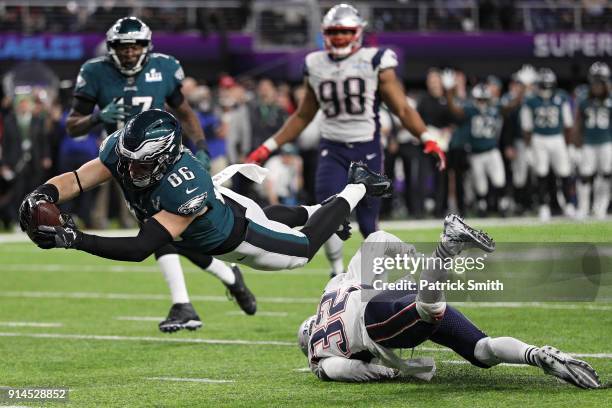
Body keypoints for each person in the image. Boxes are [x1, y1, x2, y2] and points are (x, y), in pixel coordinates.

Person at [18, 109, 392, 277]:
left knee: (302, 250)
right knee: (275, 216)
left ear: (164, 158)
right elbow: (79, 178)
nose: (130, 171)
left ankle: (356, 185)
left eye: (141, 165)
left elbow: (140, 248)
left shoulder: (184, 185)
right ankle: (324, 209)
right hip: (225, 206)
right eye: (127, 161)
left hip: (237, 237)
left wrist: (74, 239)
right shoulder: (127, 151)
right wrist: (42, 194)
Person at [64, 16, 248, 332]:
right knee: (169, 234)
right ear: (112, 48)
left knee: (164, 231)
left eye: (136, 45)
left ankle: (185, 304)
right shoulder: (95, 72)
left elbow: (185, 112)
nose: (130, 52)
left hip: (167, 161)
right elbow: (72, 125)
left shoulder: (163, 67)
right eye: (123, 46)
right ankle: (226, 278)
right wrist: (97, 117)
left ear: (147, 47)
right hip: (125, 165)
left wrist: (201, 146)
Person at [246, 4, 445, 277]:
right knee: (327, 212)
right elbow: (303, 115)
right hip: (332, 148)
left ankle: (379, 275)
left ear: (358, 32)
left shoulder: (376, 60)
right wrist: (268, 146)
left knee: (367, 221)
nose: (339, 37)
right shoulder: (315, 63)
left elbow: (402, 109)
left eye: (345, 31)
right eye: (334, 31)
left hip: (367, 148)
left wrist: (426, 137)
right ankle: (337, 272)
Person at [297, 216, 601, 388]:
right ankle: (537, 354)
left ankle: (447, 247)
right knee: (483, 351)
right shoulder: (333, 289)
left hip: (374, 320)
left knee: (429, 310)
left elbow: (341, 369)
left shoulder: (318, 352)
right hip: (386, 297)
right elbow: (377, 239)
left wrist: (387, 372)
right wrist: (409, 254)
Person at [520, 67, 575, 221]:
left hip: (557, 137)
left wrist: (569, 145)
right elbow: (527, 128)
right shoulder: (530, 100)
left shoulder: (561, 98)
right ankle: (544, 206)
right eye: (543, 85)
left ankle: (570, 205)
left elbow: (568, 124)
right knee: (542, 174)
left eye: (548, 85)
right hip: (539, 139)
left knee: (564, 172)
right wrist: (528, 148)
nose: (546, 89)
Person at [574, 62, 611, 219]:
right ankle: (583, 207)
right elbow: (578, 123)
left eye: (600, 82)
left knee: (607, 174)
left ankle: (601, 206)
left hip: (607, 142)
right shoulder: (584, 100)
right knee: (585, 175)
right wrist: (576, 142)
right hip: (589, 143)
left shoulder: (610, 100)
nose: (597, 86)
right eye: (594, 82)